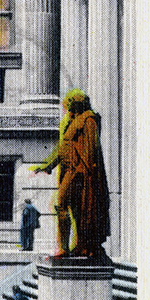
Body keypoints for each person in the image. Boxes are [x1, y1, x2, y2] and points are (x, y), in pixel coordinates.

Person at [31, 89, 110, 259]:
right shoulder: (71, 121)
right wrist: (47, 165)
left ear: (76, 104)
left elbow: (91, 150)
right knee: (68, 209)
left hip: (79, 173)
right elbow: (62, 149)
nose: (67, 110)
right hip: (68, 172)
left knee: (63, 205)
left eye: (69, 106)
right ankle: (65, 247)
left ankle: (66, 247)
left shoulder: (88, 120)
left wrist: (85, 175)